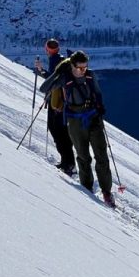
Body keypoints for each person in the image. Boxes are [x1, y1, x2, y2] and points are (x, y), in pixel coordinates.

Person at [39, 50, 115, 207]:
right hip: (75, 121)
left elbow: (98, 93)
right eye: (80, 68)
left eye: (85, 67)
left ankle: (106, 192)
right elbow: (44, 88)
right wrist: (57, 72)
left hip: (93, 118)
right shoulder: (64, 77)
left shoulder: (90, 75)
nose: (83, 70)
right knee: (83, 156)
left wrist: (101, 107)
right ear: (72, 66)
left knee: (101, 155)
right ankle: (87, 189)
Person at [34, 38, 76, 176]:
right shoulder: (61, 59)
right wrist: (42, 71)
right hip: (61, 103)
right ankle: (67, 162)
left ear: (47, 49)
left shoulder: (55, 60)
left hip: (57, 103)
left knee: (58, 131)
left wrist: (41, 72)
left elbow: (53, 81)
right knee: (61, 132)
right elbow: (54, 78)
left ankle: (67, 163)